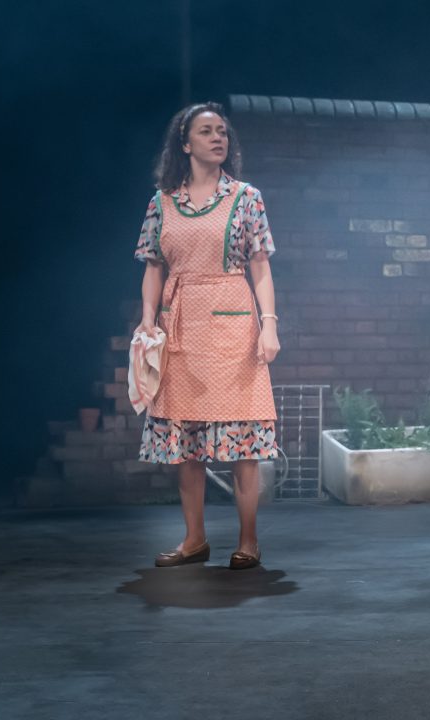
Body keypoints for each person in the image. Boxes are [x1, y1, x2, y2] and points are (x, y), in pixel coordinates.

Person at [134, 102, 281, 570]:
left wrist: (270, 324)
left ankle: (249, 540)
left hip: (233, 323)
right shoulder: (162, 202)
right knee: (187, 445)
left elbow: (261, 266)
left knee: (241, 441)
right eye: (206, 131)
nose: (218, 138)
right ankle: (194, 539)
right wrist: (147, 319)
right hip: (181, 325)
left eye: (222, 132)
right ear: (185, 143)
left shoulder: (245, 197)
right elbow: (154, 266)